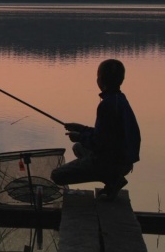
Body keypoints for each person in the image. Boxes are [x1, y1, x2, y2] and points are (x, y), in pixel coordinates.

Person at [51, 58, 141, 199]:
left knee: (57, 176)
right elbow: (107, 135)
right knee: (78, 147)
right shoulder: (120, 99)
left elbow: (100, 143)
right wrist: (82, 129)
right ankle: (112, 179)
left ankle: (113, 179)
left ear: (101, 81)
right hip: (123, 160)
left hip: (112, 161)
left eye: (98, 76)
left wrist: (79, 136)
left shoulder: (107, 105)